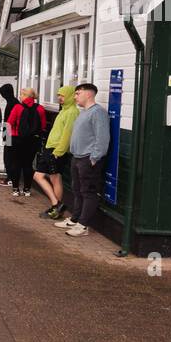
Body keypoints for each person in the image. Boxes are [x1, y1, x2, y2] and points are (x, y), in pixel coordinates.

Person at [54, 82, 110, 238]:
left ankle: (83, 225)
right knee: (77, 190)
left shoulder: (98, 112)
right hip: (77, 157)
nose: (75, 96)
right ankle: (75, 219)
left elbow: (102, 138)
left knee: (88, 192)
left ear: (88, 94)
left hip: (88, 159)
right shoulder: (83, 112)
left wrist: (94, 158)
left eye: (78, 93)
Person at [34, 85, 78, 218]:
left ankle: (56, 206)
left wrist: (58, 152)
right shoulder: (64, 110)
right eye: (58, 95)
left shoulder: (72, 112)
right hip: (51, 147)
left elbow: (67, 134)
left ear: (70, 96)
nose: (59, 98)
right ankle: (56, 206)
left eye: (63, 95)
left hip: (56, 149)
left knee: (47, 177)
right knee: (52, 177)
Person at [5, 88, 47, 198]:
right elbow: (43, 126)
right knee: (28, 164)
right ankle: (27, 190)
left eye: (21, 95)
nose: (19, 97)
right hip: (33, 140)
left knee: (16, 164)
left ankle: (15, 189)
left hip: (17, 139)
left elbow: (9, 123)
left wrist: (7, 140)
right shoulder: (40, 108)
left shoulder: (17, 107)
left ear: (25, 96)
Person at [0, 83, 19, 185]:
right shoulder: (14, 102)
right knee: (12, 157)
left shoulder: (11, 104)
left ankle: (10, 178)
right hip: (13, 133)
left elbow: (8, 121)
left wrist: (5, 135)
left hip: (10, 134)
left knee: (8, 157)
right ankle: (11, 176)